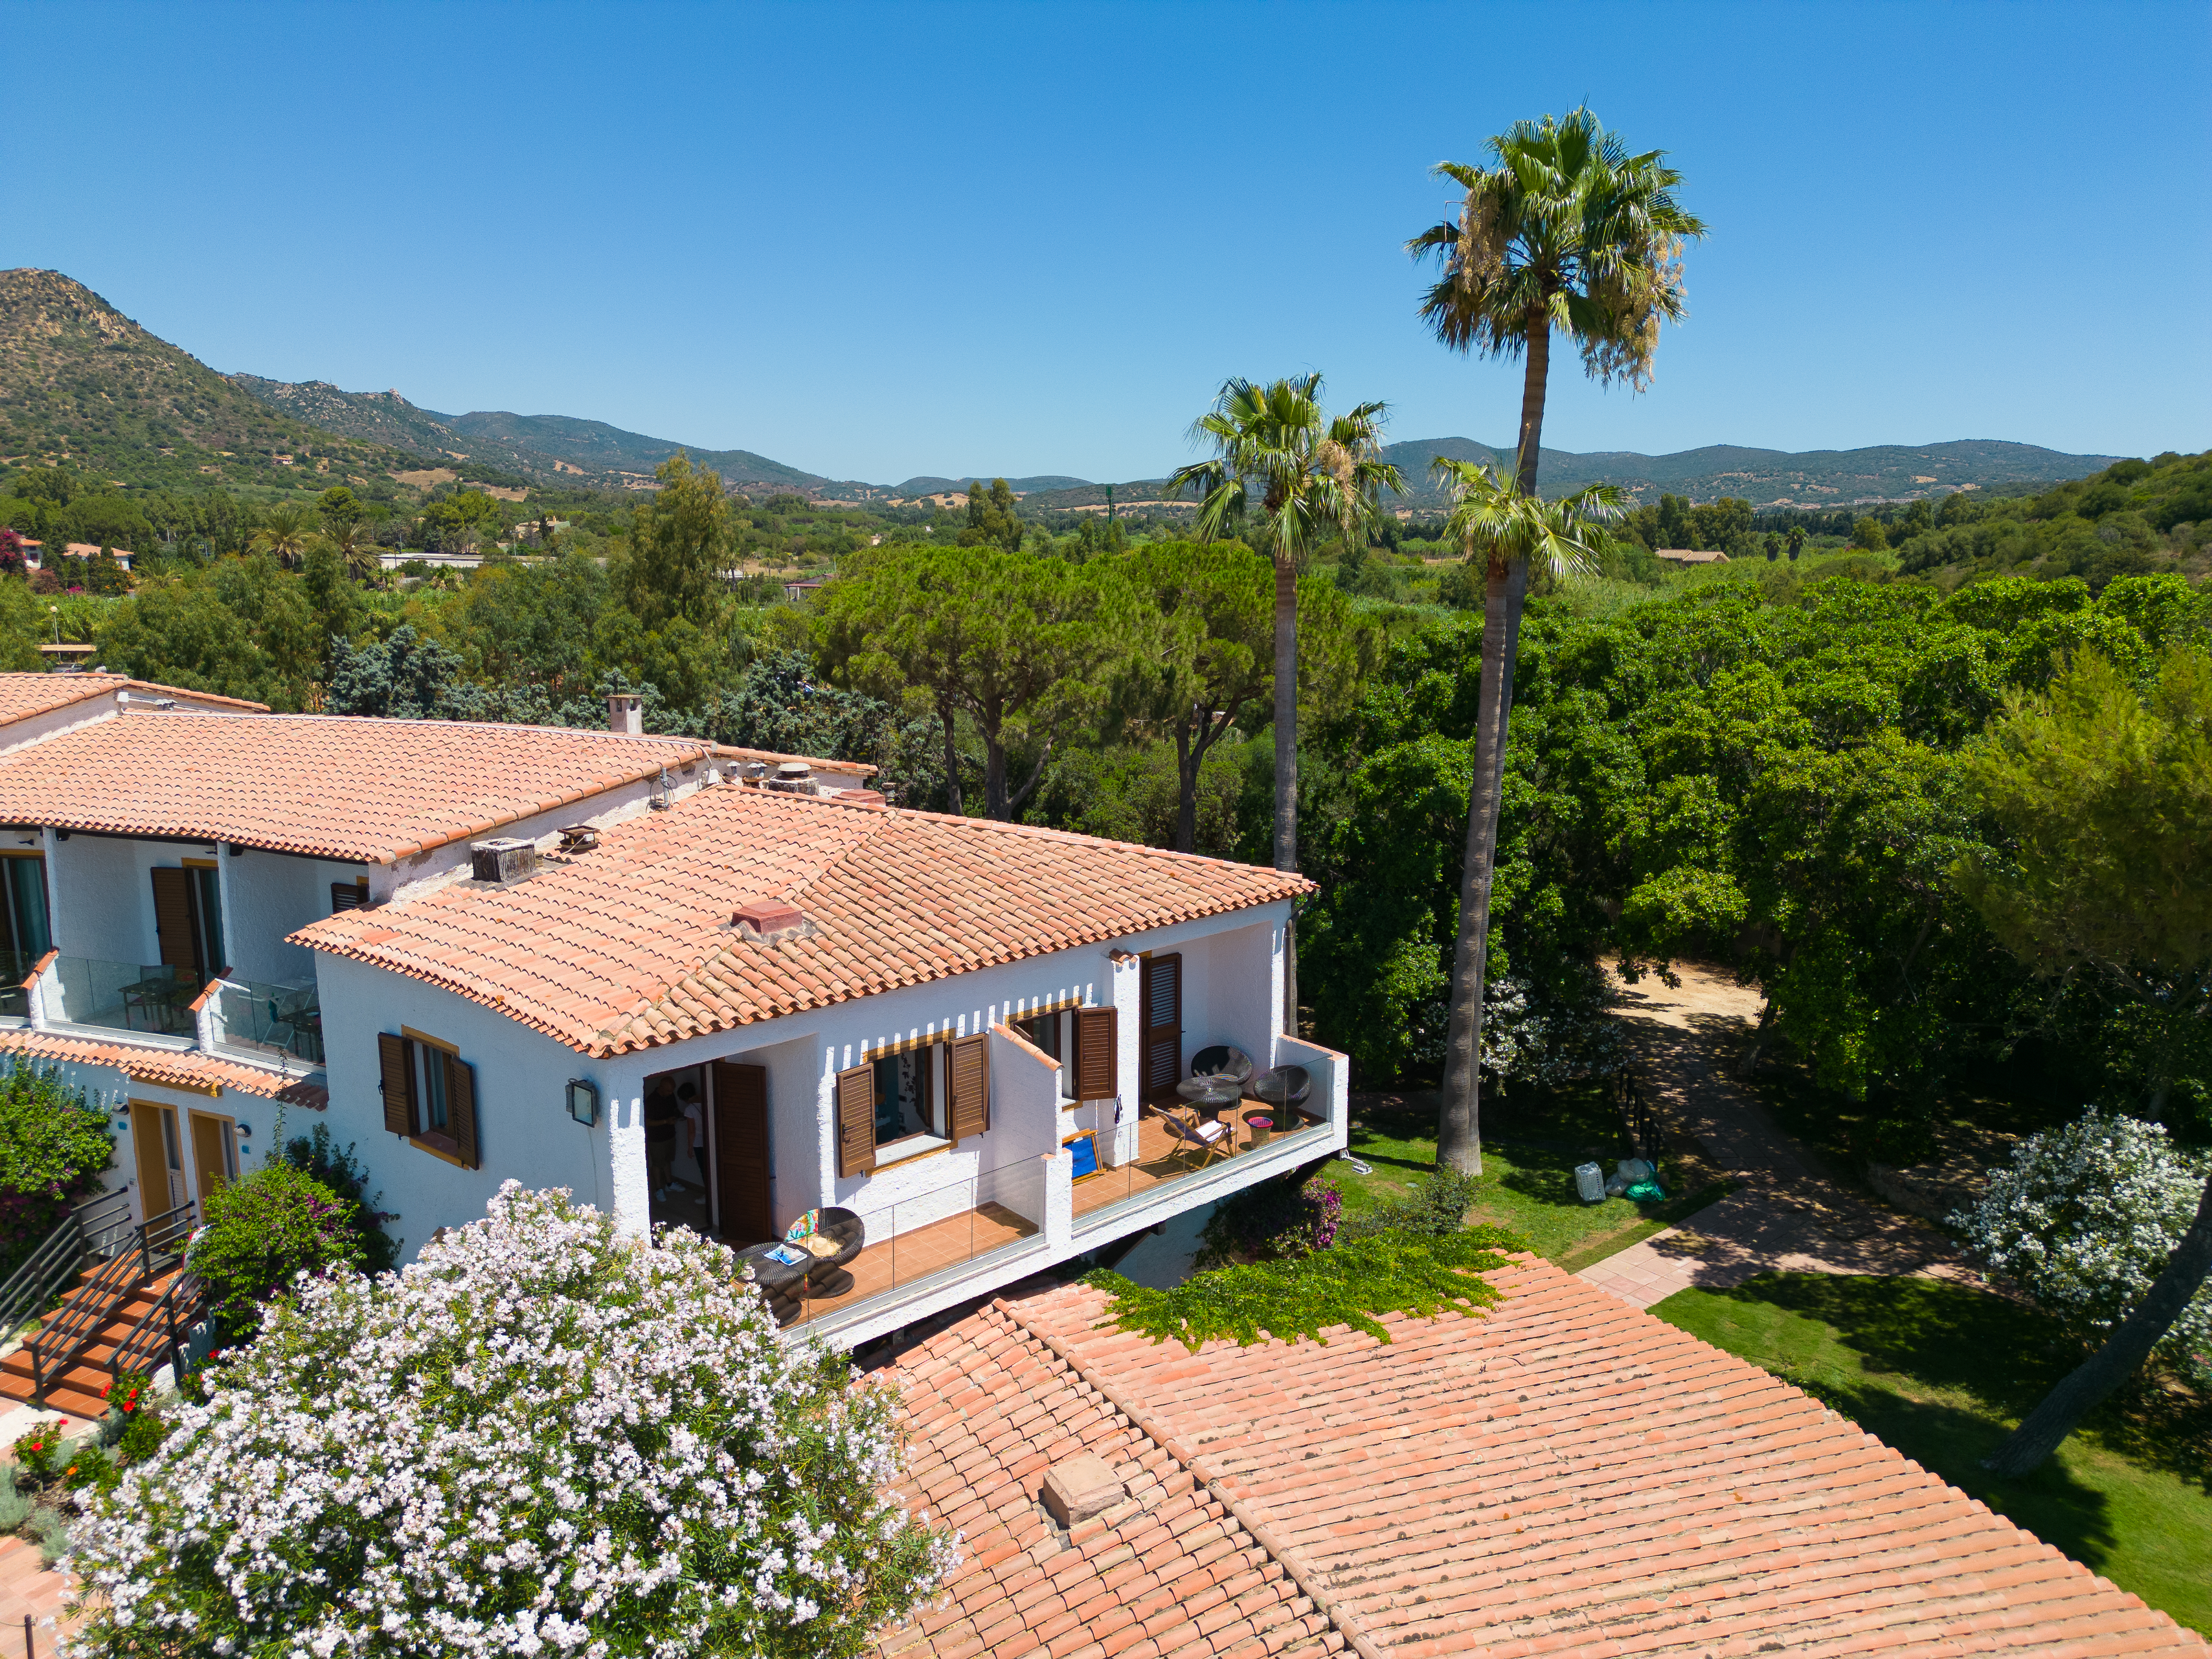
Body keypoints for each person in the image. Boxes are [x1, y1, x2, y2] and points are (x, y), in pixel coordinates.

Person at [643, 1076, 679, 1200]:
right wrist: (665, 1122)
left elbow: (674, 1109)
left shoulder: (671, 1096)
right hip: (656, 1138)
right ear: (661, 1087)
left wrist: (678, 1117)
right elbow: (647, 1122)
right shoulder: (651, 1101)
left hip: (669, 1135)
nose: (671, 1093)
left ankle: (669, 1184)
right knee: (658, 1164)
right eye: (669, 1091)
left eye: (672, 1091)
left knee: (667, 1160)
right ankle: (659, 1189)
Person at [676, 1080, 704, 1191]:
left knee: (704, 1170)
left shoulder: (690, 1109)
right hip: (712, 1140)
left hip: (699, 1143)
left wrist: (690, 1148)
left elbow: (692, 1131)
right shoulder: (707, 1099)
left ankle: (709, 1195)